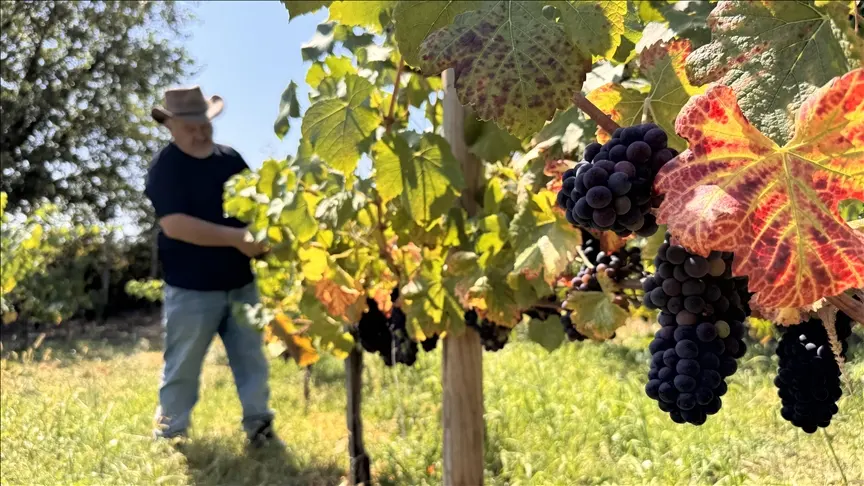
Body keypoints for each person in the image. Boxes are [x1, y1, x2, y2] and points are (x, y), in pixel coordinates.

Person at [145, 86, 279, 448]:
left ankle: (260, 430)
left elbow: (257, 209)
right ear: (170, 126)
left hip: (241, 284)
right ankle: (170, 436)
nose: (200, 132)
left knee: (252, 361)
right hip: (190, 289)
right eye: (190, 127)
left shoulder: (230, 160)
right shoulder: (165, 168)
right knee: (183, 366)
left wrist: (266, 238)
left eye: (204, 124)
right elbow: (175, 225)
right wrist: (237, 239)